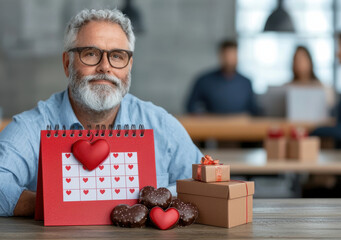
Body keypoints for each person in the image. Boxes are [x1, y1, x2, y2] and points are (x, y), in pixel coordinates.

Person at [0, 9, 202, 217]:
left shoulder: (161, 125)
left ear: (129, 66)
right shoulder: (32, 127)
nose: (105, 67)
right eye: (90, 54)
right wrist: (54, 203)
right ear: (67, 64)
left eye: (117, 56)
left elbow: (205, 185)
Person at [186, 40, 259, 115]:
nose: (229, 60)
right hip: (212, 125)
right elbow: (191, 106)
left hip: (240, 125)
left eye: (233, 55)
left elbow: (254, 110)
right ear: (220, 56)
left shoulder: (246, 82)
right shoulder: (204, 80)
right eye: (227, 56)